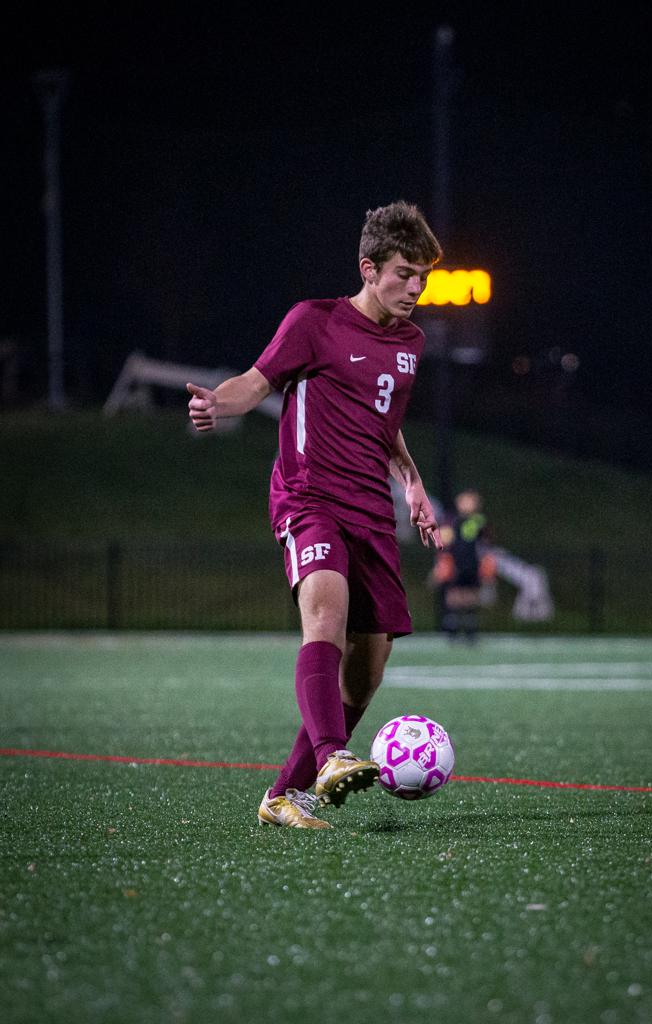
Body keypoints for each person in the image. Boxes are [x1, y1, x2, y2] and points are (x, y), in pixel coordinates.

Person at [187, 201, 443, 828]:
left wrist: (411, 482)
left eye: (423, 278)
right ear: (369, 267)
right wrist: (218, 403)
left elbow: (386, 427)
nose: (415, 288)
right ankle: (331, 756)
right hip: (310, 496)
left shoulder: (411, 343)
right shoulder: (315, 321)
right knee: (324, 612)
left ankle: (282, 796)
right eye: (405, 273)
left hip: (371, 512)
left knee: (369, 666)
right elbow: (256, 380)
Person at [432, 489, 496, 642]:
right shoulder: (451, 520)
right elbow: (444, 542)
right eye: (464, 501)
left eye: (470, 501)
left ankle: (470, 631)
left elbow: (485, 544)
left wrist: (487, 565)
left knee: (471, 596)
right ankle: (451, 630)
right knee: (453, 596)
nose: (467, 504)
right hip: (455, 563)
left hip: (472, 564)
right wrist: (442, 562)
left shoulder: (479, 521)